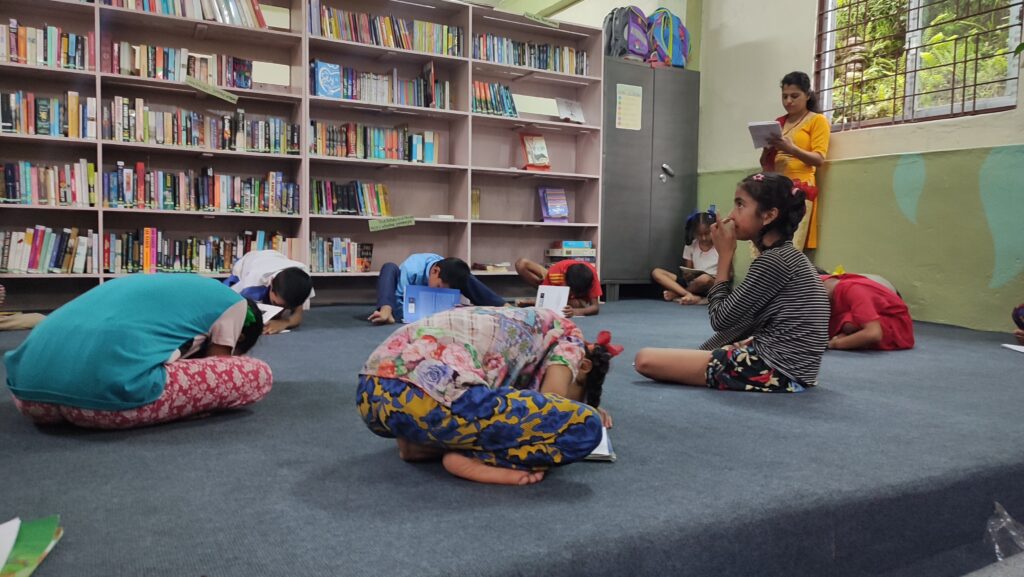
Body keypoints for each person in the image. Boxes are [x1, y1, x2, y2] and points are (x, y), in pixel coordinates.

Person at [357, 306, 621, 485]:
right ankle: (468, 459)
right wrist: (584, 409)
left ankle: (417, 445)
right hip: (436, 394)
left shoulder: (525, 320)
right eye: (577, 395)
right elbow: (552, 401)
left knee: (501, 411)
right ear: (584, 367)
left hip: (372, 391)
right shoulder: (570, 337)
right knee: (583, 425)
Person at [633, 172, 830, 393]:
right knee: (691, 355)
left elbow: (721, 319)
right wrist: (702, 353)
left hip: (776, 369)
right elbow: (742, 323)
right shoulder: (785, 257)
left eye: (740, 205)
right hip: (796, 371)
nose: (731, 215)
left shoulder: (774, 261)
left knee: (645, 359)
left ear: (768, 216)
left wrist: (724, 256)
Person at [5, 274, 272, 429]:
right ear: (242, 336)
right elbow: (218, 362)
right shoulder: (235, 304)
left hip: (29, 394)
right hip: (102, 403)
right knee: (256, 373)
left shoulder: (173, 288)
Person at [759, 71, 830, 251]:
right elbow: (765, 164)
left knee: (791, 243)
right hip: (777, 187)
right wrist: (767, 150)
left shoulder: (817, 120)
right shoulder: (778, 123)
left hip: (800, 188)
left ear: (807, 95)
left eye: (794, 96)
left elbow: (819, 159)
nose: (788, 101)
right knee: (768, 241)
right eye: (785, 96)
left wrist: (791, 149)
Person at [368, 253, 505, 324]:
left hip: (429, 307)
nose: (437, 291)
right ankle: (386, 312)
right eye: (438, 287)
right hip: (404, 303)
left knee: (464, 275)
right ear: (435, 271)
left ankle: (502, 305)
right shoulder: (411, 268)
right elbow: (398, 300)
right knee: (389, 267)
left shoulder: (446, 270)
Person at [225, 249, 314, 334]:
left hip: (275, 257)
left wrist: (284, 323)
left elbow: (298, 314)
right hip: (247, 262)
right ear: (271, 284)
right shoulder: (253, 284)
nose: (280, 310)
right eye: (277, 304)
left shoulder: (302, 280)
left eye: (286, 307)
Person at [822, 273, 914, 350]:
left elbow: (873, 333)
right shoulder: (826, 283)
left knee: (849, 324)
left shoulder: (853, 289)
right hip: (868, 310)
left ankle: (852, 337)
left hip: (896, 327)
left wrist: (833, 344)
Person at [651, 211, 719, 305]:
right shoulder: (690, 246)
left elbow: (729, 274)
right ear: (694, 233)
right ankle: (687, 294)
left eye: (707, 233)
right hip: (693, 283)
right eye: (699, 234)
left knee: (704, 279)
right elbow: (688, 270)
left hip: (710, 284)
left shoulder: (719, 246)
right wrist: (688, 275)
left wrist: (716, 277)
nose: (703, 238)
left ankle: (677, 294)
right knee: (656, 272)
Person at [514, 258, 602, 317]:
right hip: (555, 283)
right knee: (521, 264)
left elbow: (595, 307)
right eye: (570, 290)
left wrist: (575, 311)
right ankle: (539, 301)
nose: (572, 294)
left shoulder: (591, 276)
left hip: (579, 300)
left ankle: (536, 302)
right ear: (564, 279)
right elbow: (545, 296)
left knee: (576, 303)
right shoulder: (555, 272)